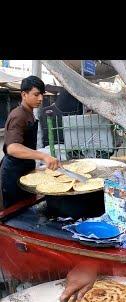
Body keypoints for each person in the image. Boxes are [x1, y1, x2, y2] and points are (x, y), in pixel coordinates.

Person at [1, 76, 61, 208]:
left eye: (42, 95)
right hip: (13, 173)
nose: (40, 98)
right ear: (24, 94)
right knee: (16, 215)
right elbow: (12, 148)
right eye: (36, 94)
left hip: (24, 168)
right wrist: (43, 156)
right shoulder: (18, 115)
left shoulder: (29, 112)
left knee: (27, 208)